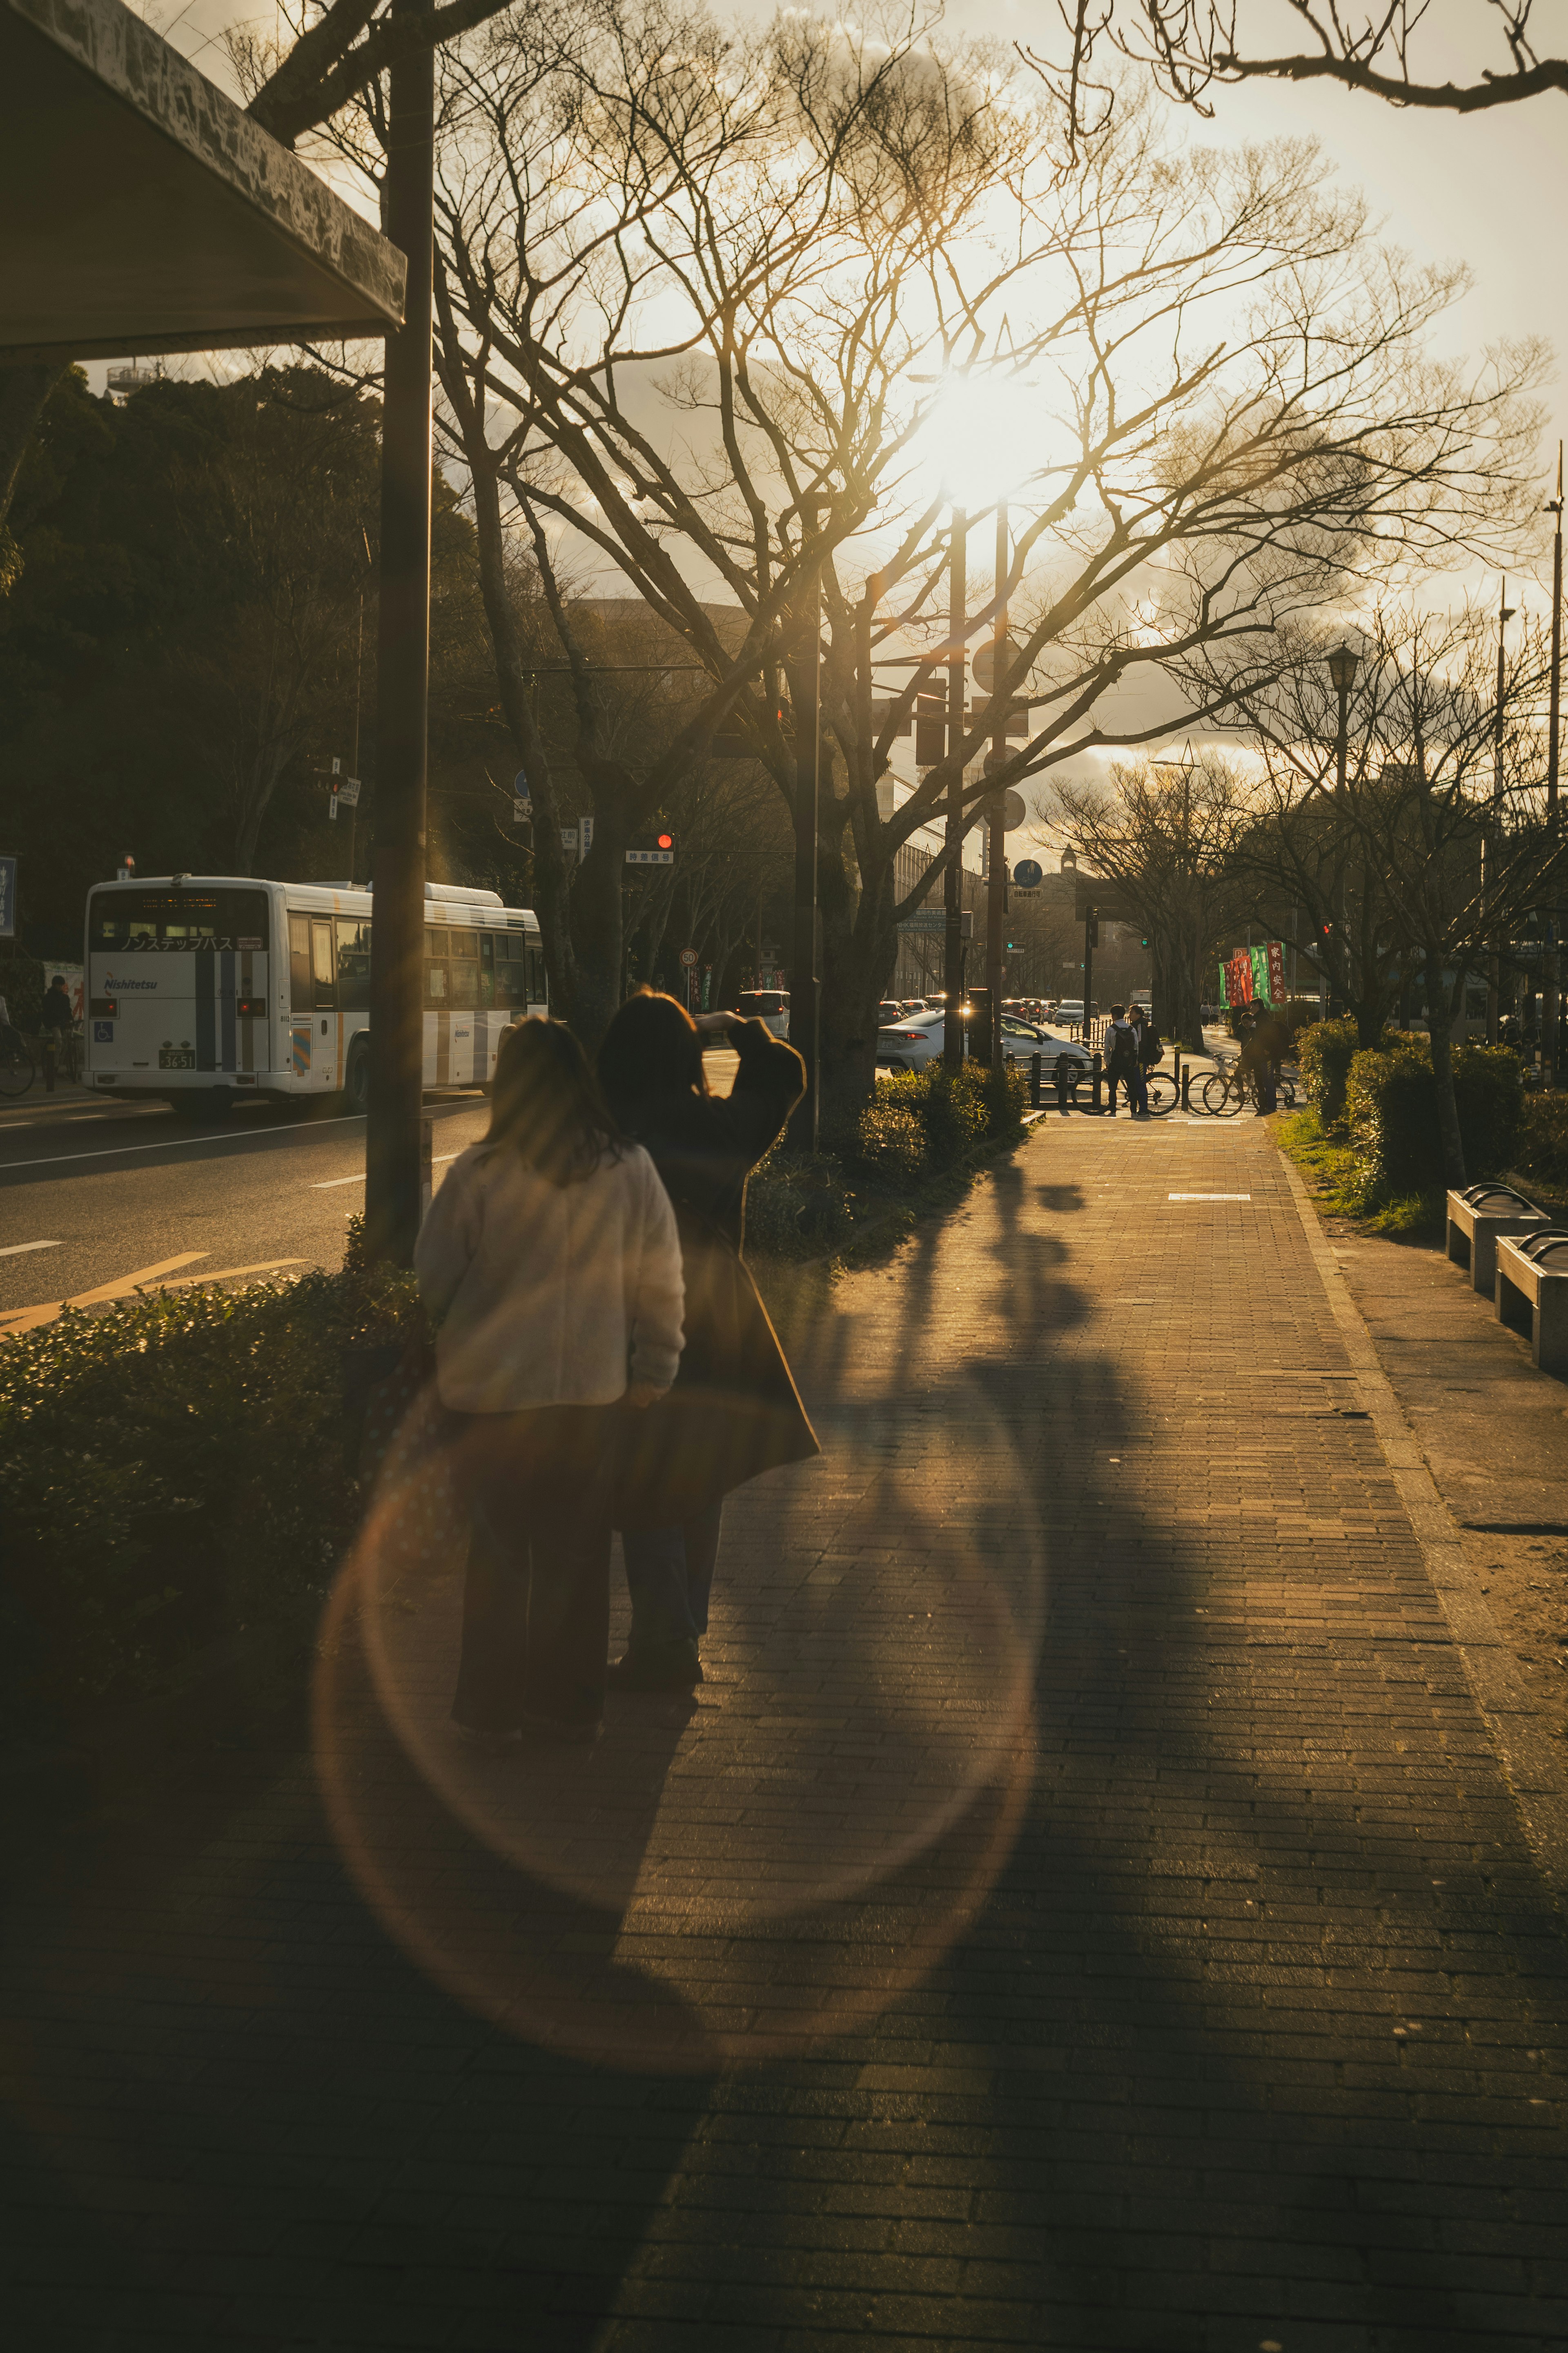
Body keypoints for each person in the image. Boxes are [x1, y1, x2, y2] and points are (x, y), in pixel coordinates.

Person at [414, 1018, 686, 1746]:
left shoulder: (480, 1173)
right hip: (591, 1396)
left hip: (491, 1399)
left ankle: (491, 1713)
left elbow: (433, 1278)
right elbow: (663, 1280)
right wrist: (654, 1369)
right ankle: (570, 1708)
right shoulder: (630, 1168)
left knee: (497, 1555)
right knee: (577, 1557)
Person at [597, 989, 819, 1691]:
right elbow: (784, 1075)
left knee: (646, 1485)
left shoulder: (600, 1134)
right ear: (688, 1053)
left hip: (629, 1322)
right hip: (719, 1322)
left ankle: (665, 1643)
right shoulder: (716, 1127)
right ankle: (682, 1629)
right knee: (699, 1479)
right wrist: (743, 1031)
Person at [1103, 1004, 1140, 1116]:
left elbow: (1107, 1048)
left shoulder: (1111, 1029)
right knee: (1132, 1087)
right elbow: (1136, 1047)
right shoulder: (1131, 1029)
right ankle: (1134, 1112)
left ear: (1114, 1016)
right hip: (1128, 1062)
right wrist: (1134, 1061)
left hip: (1115, 1062)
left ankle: (1113, 1111)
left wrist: (1108, 1062)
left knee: (1113, 1088)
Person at [39, 973, 73, 1092]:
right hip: (53, 1023)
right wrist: (59, 1020)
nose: (60, 987)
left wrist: (71, 1019)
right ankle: (54, 1067)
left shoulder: (65, 998)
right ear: (54, 985)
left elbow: (68, 1010)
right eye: (58, 985)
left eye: (61, 985)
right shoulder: (48, 997)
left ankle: (67, 1067)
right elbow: (48, 1013)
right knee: (58, 1040)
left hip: (62, 1023)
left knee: (69, 1039)